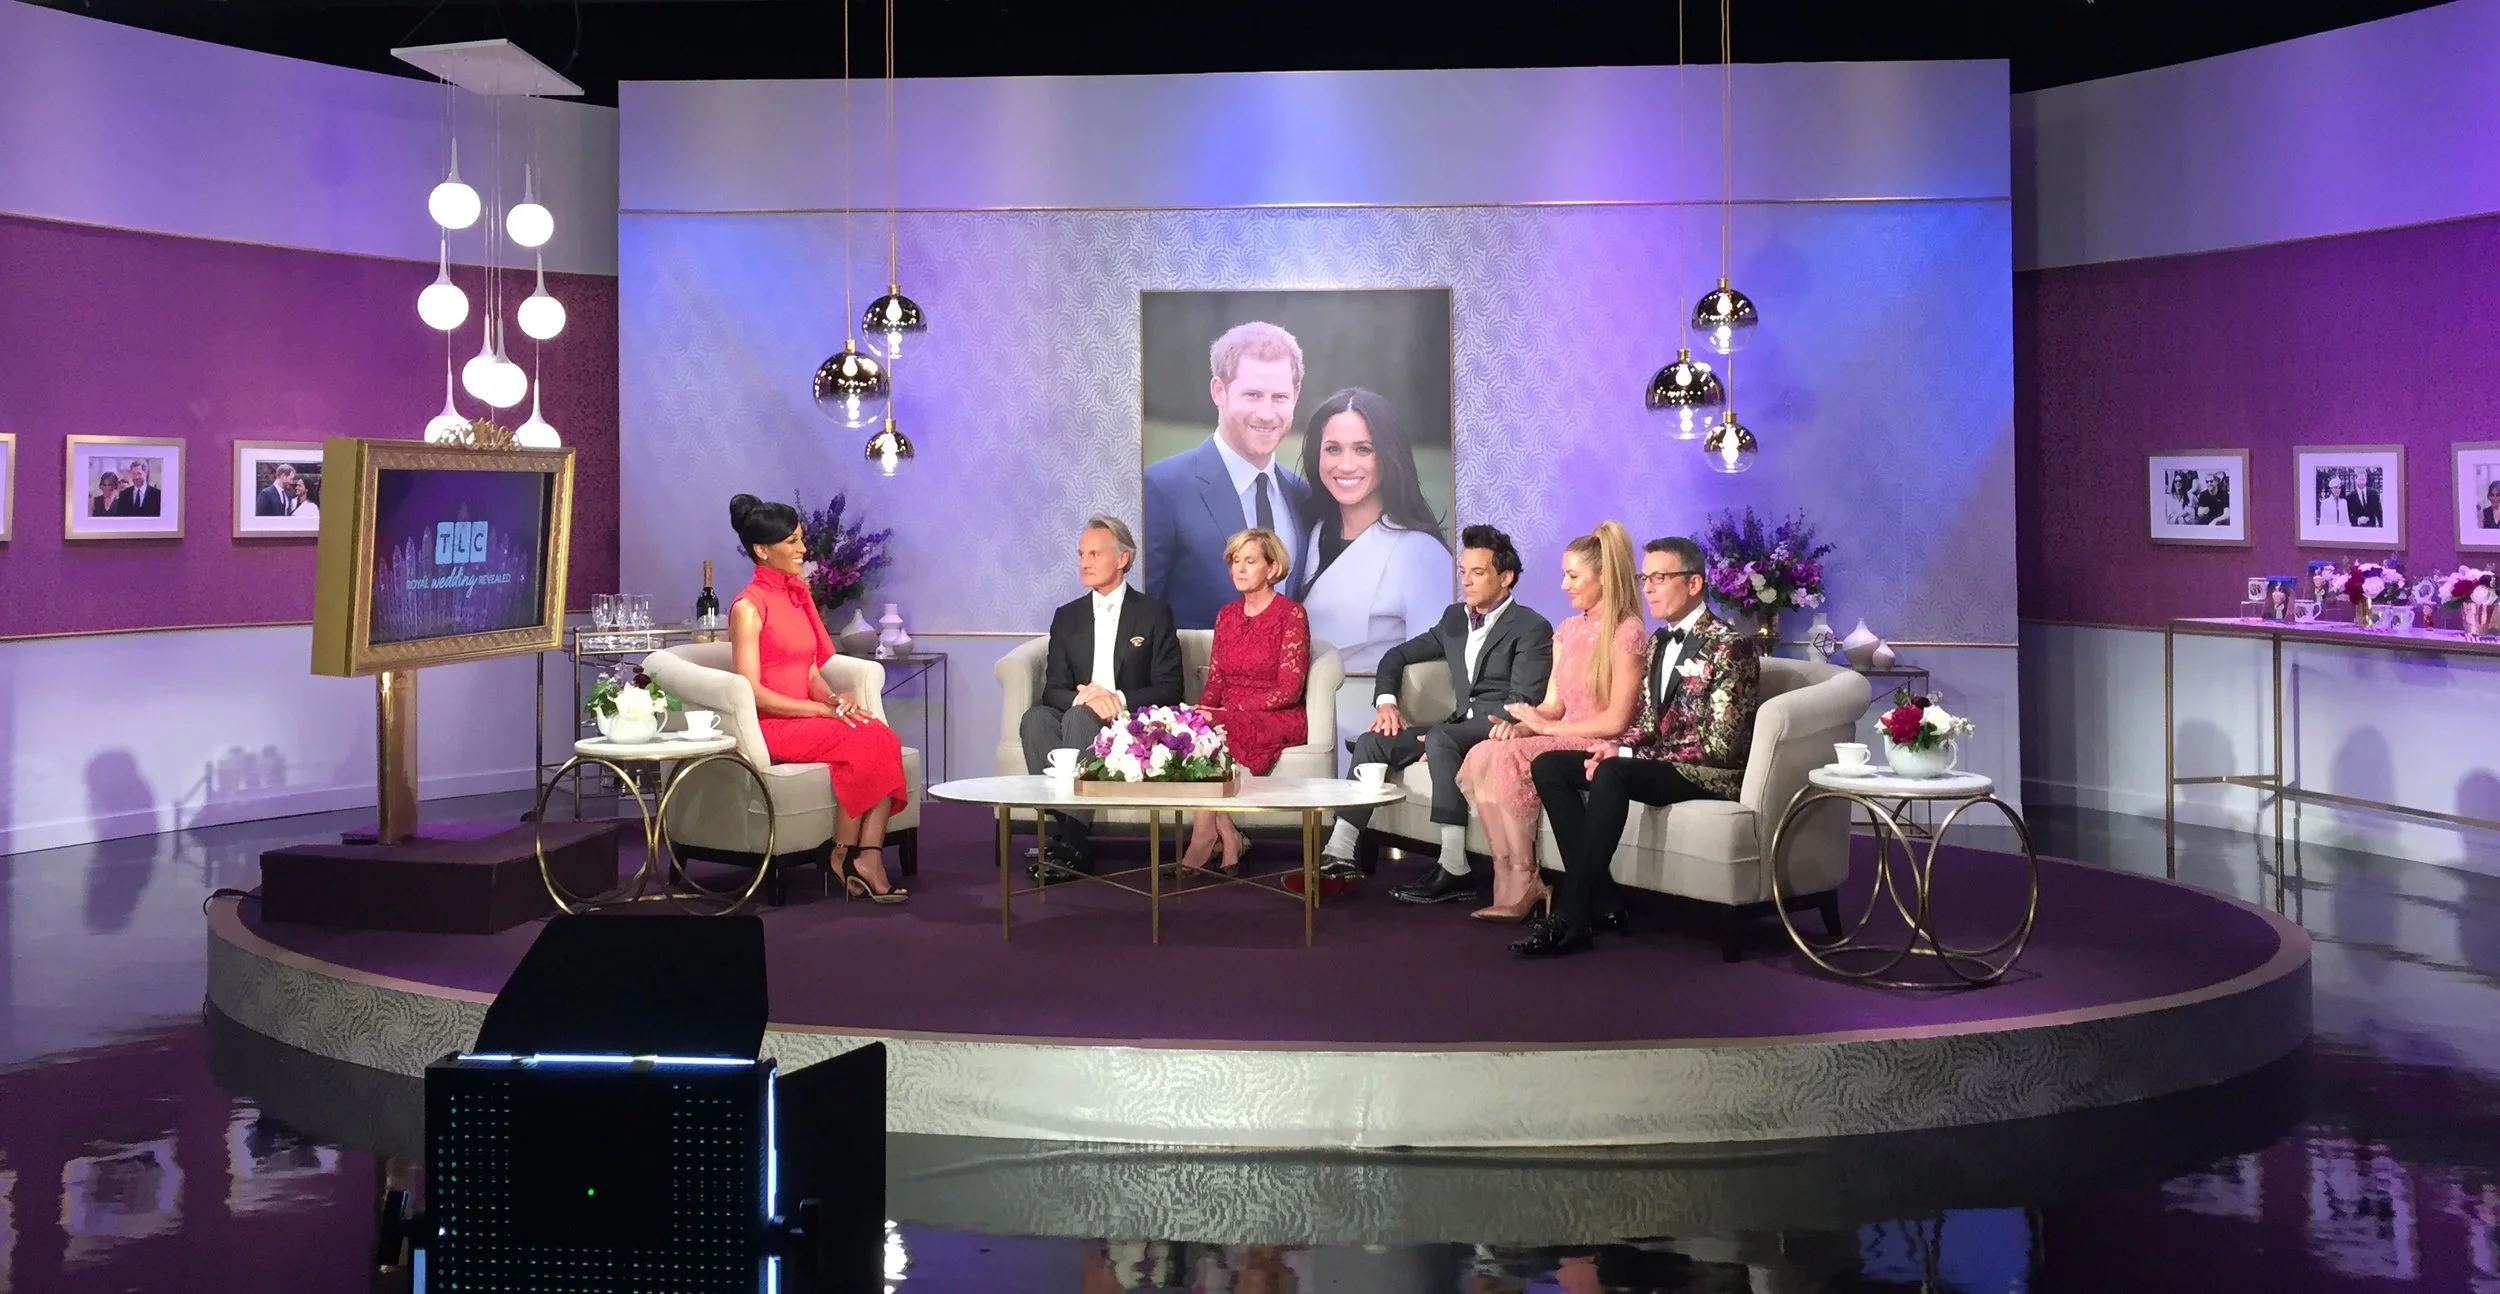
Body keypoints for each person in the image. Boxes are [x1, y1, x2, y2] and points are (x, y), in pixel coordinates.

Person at [1513, 535, 1763, 958]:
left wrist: (1628, 755)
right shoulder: (1659, 642)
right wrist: (1615, 747)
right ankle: (1604, 901)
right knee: (1550, 766)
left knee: (1614, 771)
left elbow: (1721, 747)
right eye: (1645, 578)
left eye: (1660, 578)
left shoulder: (1730, 645)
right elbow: (1646, 724)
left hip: (1708, 774)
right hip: (1660, 765)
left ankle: (1572, 916)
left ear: (1694, 583)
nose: (1648, 588)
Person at [1317, 524, 1554, 899]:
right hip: (1454, 727)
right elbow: (1396, 655)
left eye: (1478, 572)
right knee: (1373, 741)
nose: (1466, 581)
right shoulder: (1455, 619)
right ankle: (1339, 852)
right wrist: (1387, 702)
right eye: (1463, 571)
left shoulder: (1531, 627)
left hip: (1498, 727)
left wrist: (1451, 737)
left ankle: (1454, 865)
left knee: (1441, 737)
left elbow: (1522, 701)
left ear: (1505, 577)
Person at [1453, 521, 1647, 922]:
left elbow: (1616, 720)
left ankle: (1525, 877)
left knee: (1509, 758)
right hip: (1561, 733)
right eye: (1564, 575)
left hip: (1596, 739)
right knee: (1488, 750)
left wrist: (1546, 729)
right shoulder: (1567, 630)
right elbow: (1553, 705)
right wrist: (1522, 726)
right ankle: (1508, 873)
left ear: (1603, 577)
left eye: (1573, 576)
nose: (1563, 586)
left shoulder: (1627, 632)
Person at [725, 494, 910, 902]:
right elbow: (751, 691)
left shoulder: (797, 594)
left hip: (809, 716)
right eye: (792, 541)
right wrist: (820, 710)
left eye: (801, 538)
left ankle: (867, 855)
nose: (803, 549)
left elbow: (808, 671)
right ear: (762, 550)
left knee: (882, 735)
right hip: (773, 725)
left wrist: (833, 700)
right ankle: (843, 853)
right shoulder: (748, 608)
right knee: (866, 739)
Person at [1020, 515, 1185, 881]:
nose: (1084, 562)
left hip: (1129, 721)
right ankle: (1072, 837)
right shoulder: (1067, 616)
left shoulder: (1154, 613)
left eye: (1094, 554)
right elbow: (1054, 688)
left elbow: (1171, 687)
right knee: (1035, 718)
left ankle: (1071, 845)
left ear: (1122, 558)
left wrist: (1117, 699)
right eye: (1081, 554)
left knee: (1078, 718)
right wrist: (1087, 698)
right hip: (1080, 711)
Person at [1143, 321, 1314, 630]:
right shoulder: (1162, 488)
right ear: (1219, 391)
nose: (1266, 413)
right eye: (1252, 395)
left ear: (1296, 394)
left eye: (1279, 397)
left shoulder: (1302, 496)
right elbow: (1138, 620)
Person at [1293, 387, 1453, 673]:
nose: (1346, 465)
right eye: (1333, 449)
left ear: (1389, 457)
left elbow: (1434, 678)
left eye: (1363, 449)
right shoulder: (1305, 531)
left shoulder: (1423, 556)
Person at [1180, 528, 1311, 874]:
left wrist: (1226, 712)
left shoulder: (1291, 614)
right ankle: (1228, 834)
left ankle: (1203, 838)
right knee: (1193, 729)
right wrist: (1200, 713)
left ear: (1272, 568)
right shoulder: (1226, 614)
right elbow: (1216, 679)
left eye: (1249, 561)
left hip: (1275, 713)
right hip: (1229, 711)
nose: (1239, 568)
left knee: (1217, 729)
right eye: (1235, 561)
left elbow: (1289, 689)